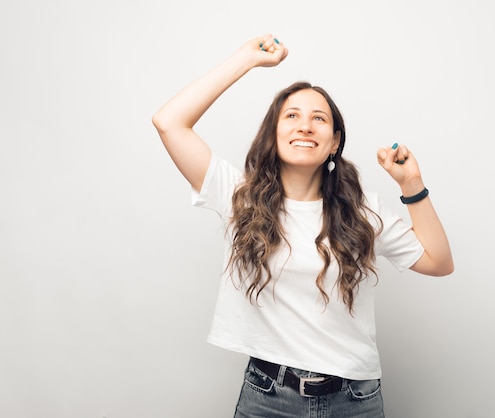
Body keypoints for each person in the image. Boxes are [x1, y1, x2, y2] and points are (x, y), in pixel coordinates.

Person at [152, 34, 453, 418]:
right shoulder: (238, 196)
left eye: (319, 119)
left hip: (355, 401)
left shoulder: (363, 213)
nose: (305, 126)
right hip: (268, 398)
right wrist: (247, 59)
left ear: (334, 143)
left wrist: (411, 185)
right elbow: (169, 122)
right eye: (291, 116)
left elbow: (439, 262)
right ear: (273, 134)